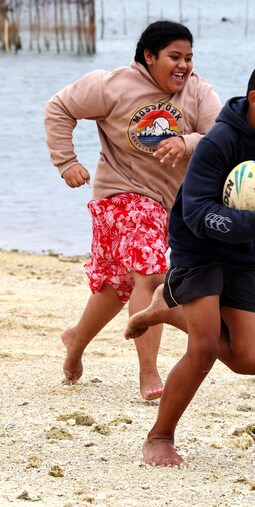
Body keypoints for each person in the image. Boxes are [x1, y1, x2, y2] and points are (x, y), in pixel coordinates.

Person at [124, 58, 255, 467]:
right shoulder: (219, 140)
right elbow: (197, 212)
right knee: (202, 349)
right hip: (198, 248)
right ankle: (160, 437)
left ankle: (167, 310)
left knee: (251, 360)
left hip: (246, 256)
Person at [43, 20, 222, 400]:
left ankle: (75, 340)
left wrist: (186, 142)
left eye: (189, 58)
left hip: (168, 206)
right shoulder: (112, 85)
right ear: (149, 56)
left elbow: (221, 138)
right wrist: (66, 161)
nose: (184, 66)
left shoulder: (198, 92)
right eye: (175, 57)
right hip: (119, 196)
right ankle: (149, 375)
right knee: (152, 275)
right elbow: (58, 107)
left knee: (118, 286)